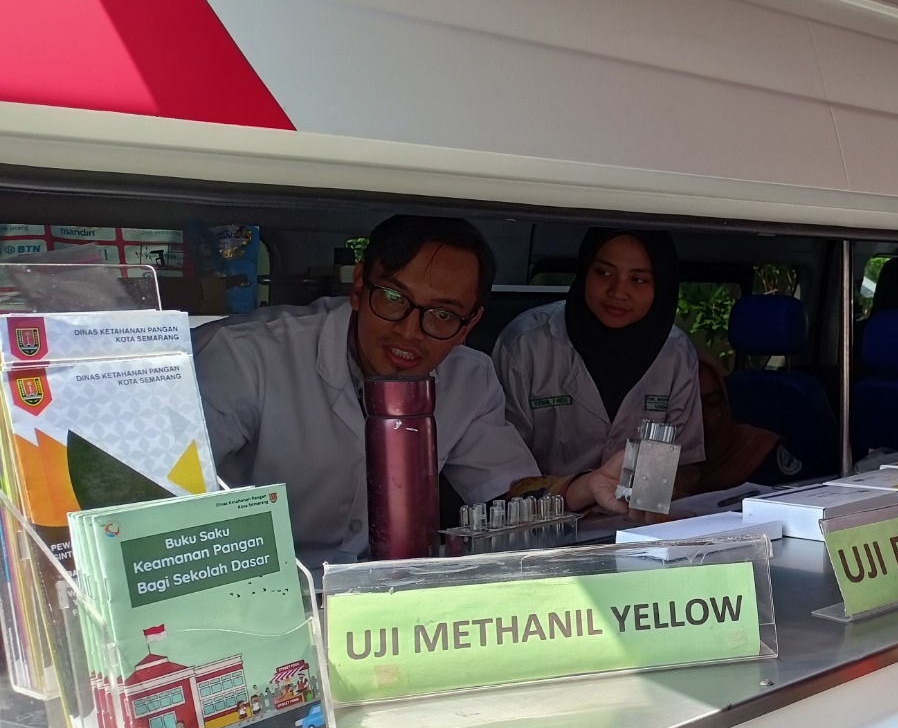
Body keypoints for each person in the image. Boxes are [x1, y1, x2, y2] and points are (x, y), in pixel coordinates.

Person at [195, 215, 625, 565]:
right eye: (395, 299)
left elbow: (505, 498)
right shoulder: (246, 356)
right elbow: (171, 500)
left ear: (470, 325)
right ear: (360, 287)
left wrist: (584, 487)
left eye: (442, 315)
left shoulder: (468, 379)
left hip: (384, 594)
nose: (409, 332)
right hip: (257, 593)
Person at [493, 228, 704, 482]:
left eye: (638, 280)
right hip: (544, 515)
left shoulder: (676, 353)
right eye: (604, 273)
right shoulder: (526, 343)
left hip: (639, 520)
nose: (617, 292)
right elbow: (502, 468)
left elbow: (684, 466)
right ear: (584, 271)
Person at [688, 347, 804, 493]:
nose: (701, 417)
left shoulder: (758, 452)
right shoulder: (659, 465)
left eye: (712, 404)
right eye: (688, 405)